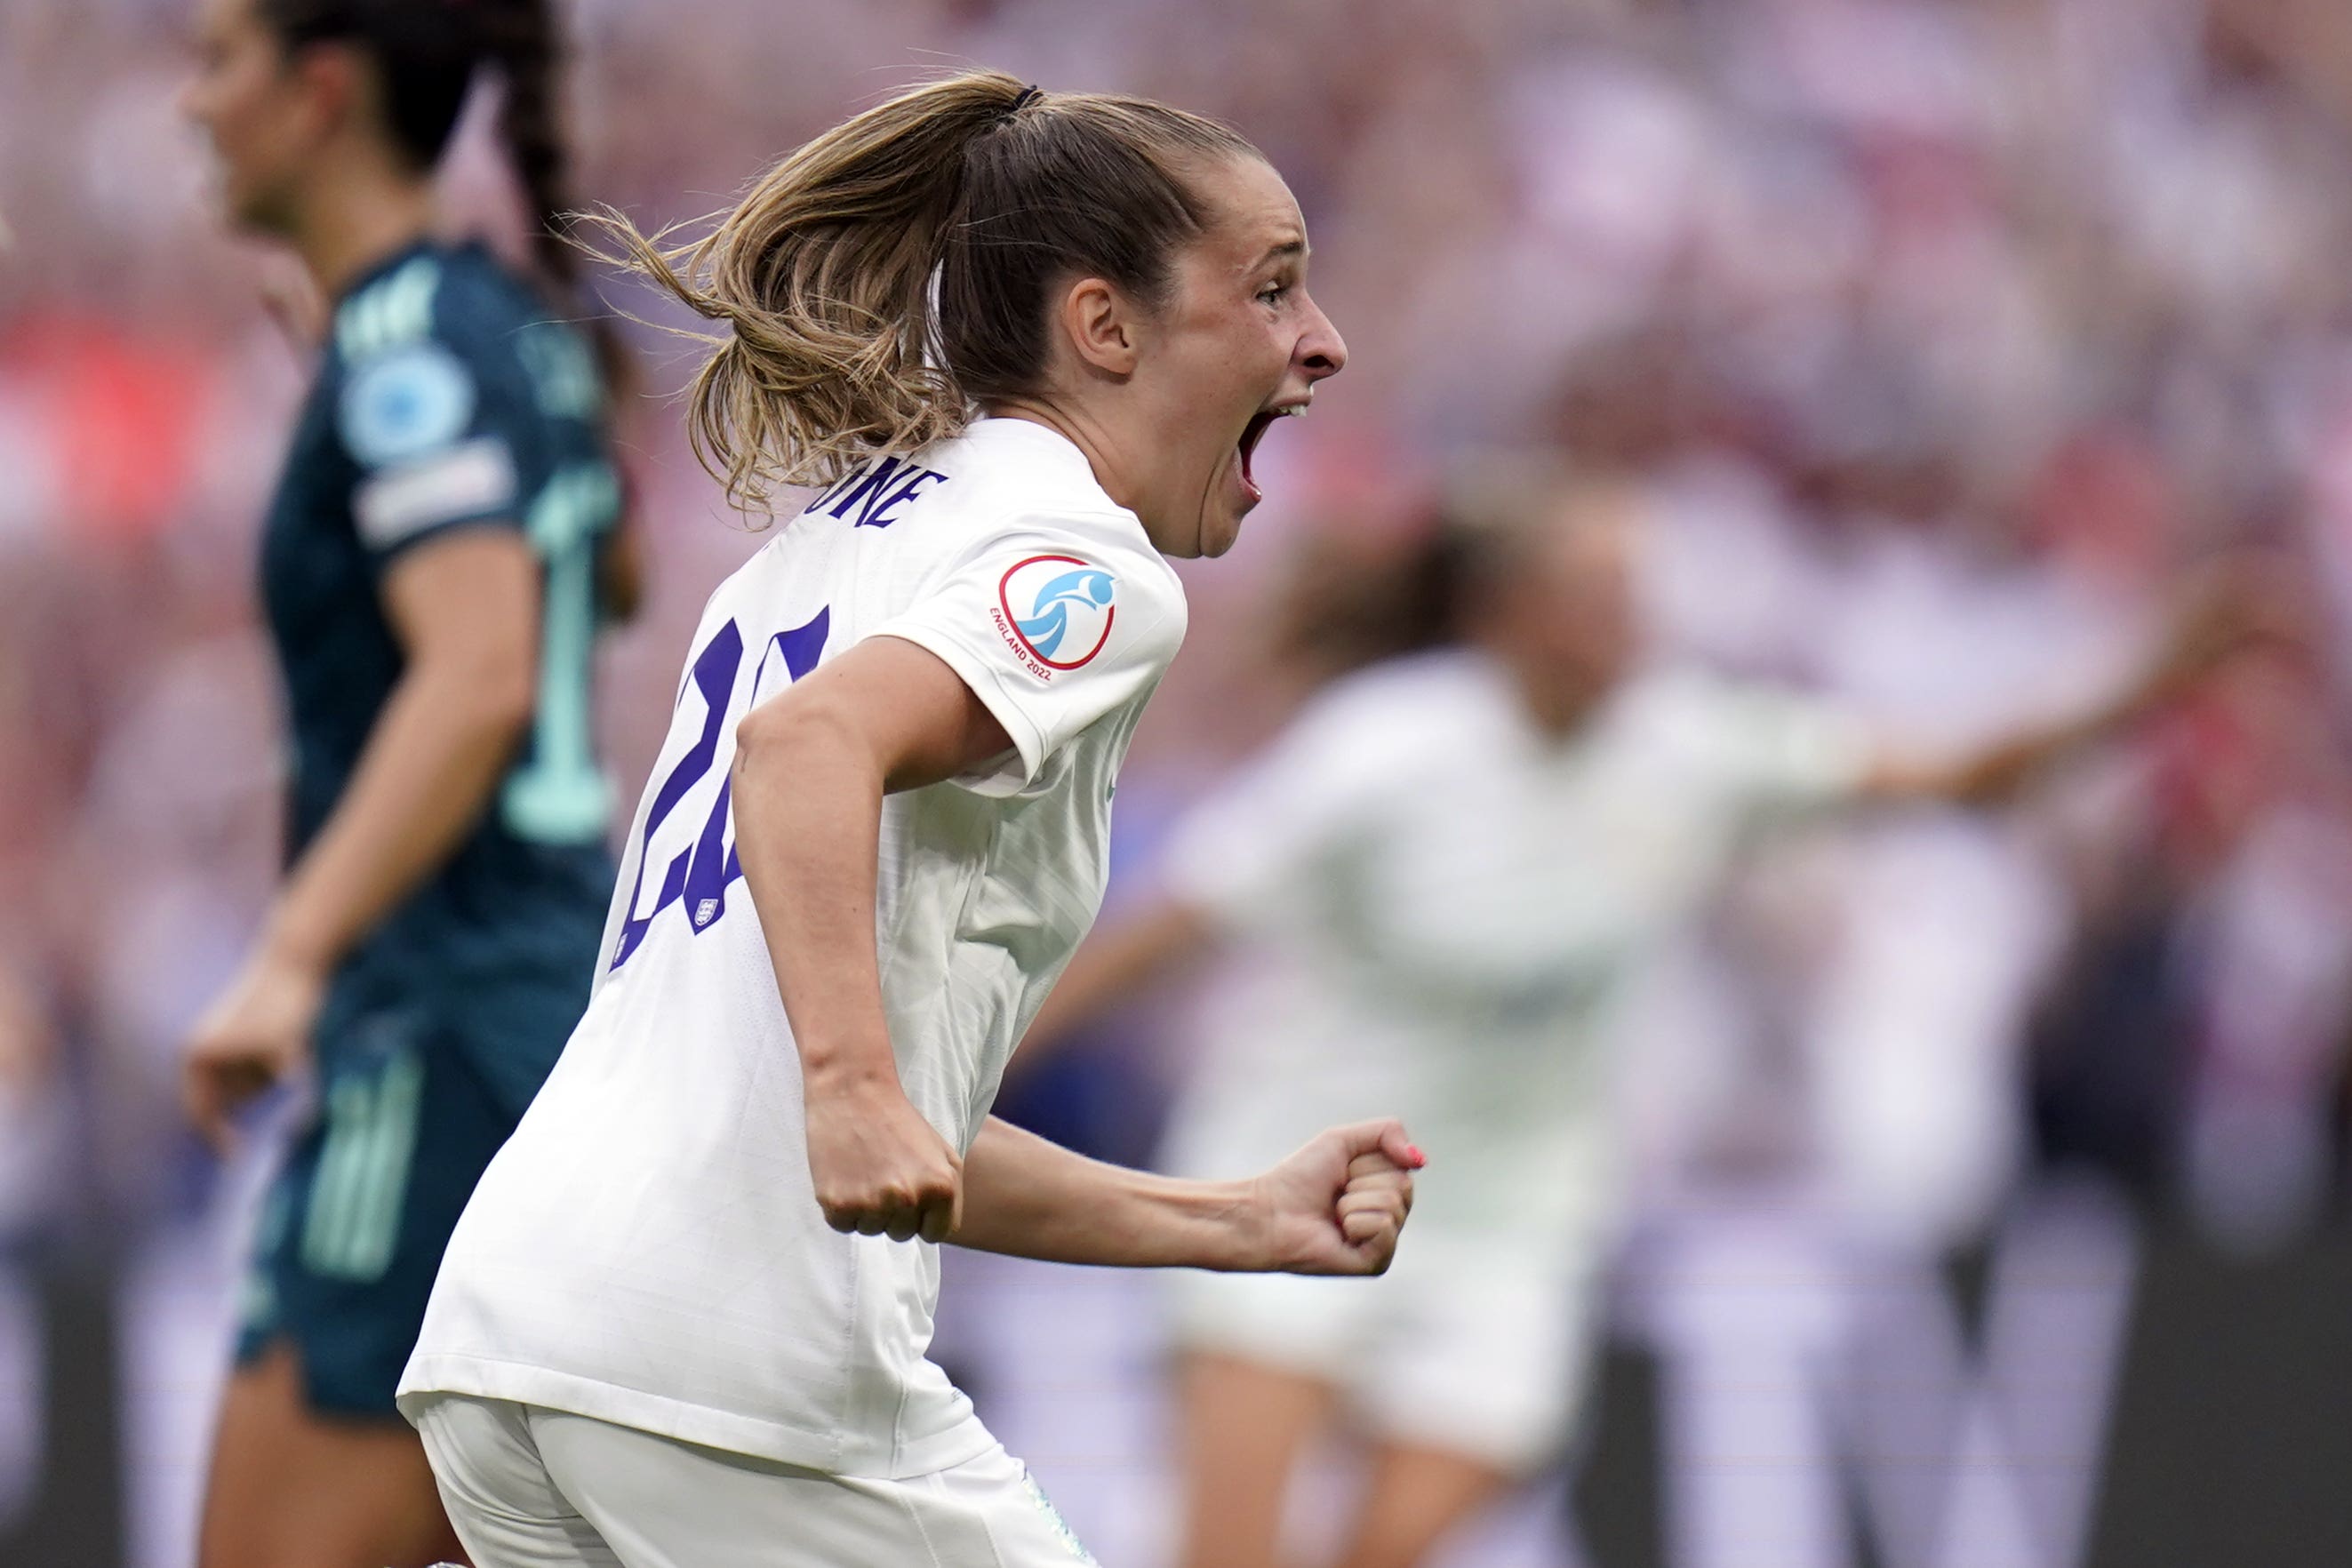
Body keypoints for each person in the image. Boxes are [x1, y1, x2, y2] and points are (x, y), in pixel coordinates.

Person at [394, 70, 1420, 1567]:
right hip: (731, 1367)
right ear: (1105, 327)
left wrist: (1231, 1223)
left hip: (516, 1338)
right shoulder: (1084, 566)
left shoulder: (815, 555)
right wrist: (848, 1082)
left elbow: (881, 1126)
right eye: (1270, 290)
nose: (1320, 340)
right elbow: (804, 751)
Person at [1022, 468, 2269, 1568]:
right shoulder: (1383, 754)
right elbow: (1162, 934)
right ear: (1506, 617)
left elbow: (1958, 777)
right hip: (1290, 1175)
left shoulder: (1692, 748)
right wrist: (953, 1084)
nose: (1630, 618)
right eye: (1595, 590)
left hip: (1511, 1222)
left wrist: (2144, 682)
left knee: (1388, 1548)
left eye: (1634, 589)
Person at [177, 0, 634, 1562]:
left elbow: (483, 667)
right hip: (532, 1012)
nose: (190, 105)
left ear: (319, 92)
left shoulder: (413, 346)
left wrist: (291, 954)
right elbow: (605, 583)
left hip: (444, 1028)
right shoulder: (489, 325)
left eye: (215, 59)